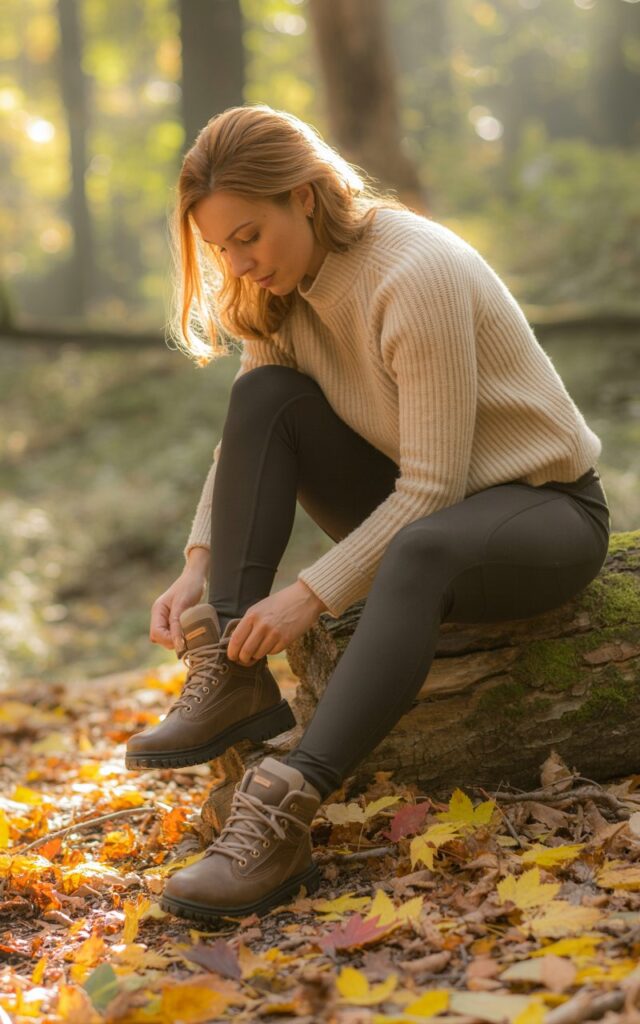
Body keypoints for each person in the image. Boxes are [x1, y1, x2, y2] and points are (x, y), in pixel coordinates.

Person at [125, 104, 611, 925]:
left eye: (250, 236)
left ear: (304, 196)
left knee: (422, 548)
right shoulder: (282, 291)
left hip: (543, 512)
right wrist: (199, 565)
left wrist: (309, 594)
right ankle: (235, 679)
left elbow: (431, 491)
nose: (239, 265)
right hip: (423, 504)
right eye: (220, 249)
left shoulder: (411, 272)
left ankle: (288, 800)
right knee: (264, 394)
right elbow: (245, 442)